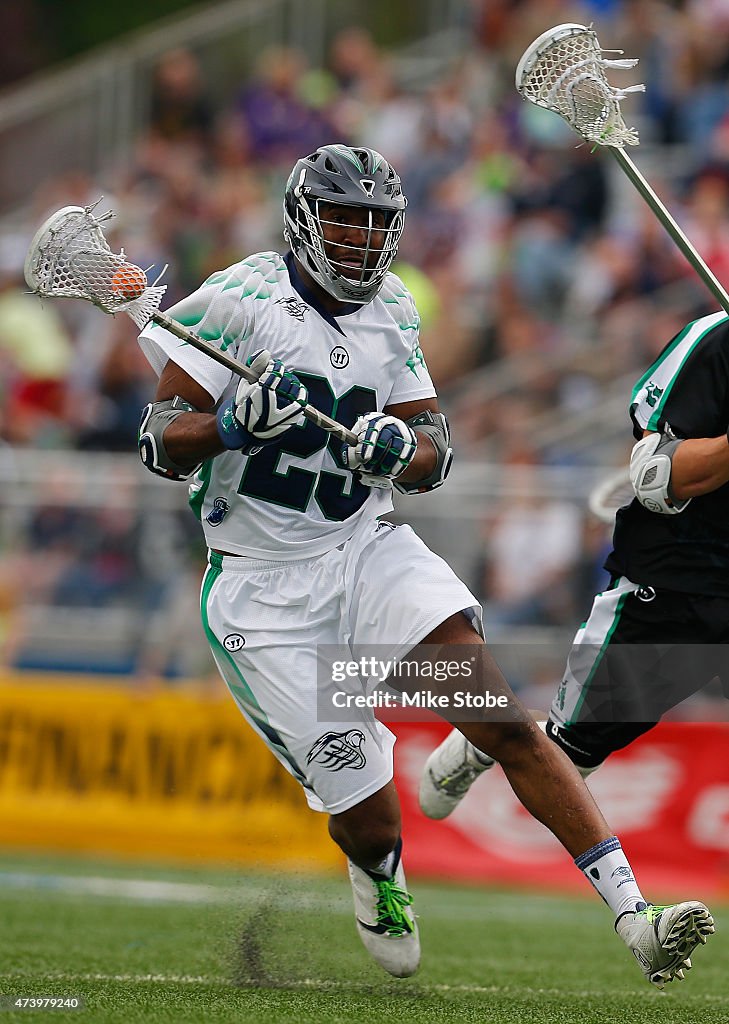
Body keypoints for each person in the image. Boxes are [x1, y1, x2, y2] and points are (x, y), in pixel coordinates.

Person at [135, 143, 712, 985]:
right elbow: (157, 440)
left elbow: (435, 453)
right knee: (368, 817)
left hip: (365, 550)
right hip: (262, 590)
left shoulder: (393, 307)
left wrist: (398, 445)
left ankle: (636, 917)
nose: (361, 240)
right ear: (302, 220)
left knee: (502, 721)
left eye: (375, 224)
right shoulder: (235, 299)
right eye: (343, 219)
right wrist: (231, 425)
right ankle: (377, 872)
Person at [421, 308, 729, 977]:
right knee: (568, 758)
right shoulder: (714, 341)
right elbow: (655, 477)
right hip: (672, 592)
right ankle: (490, 740)